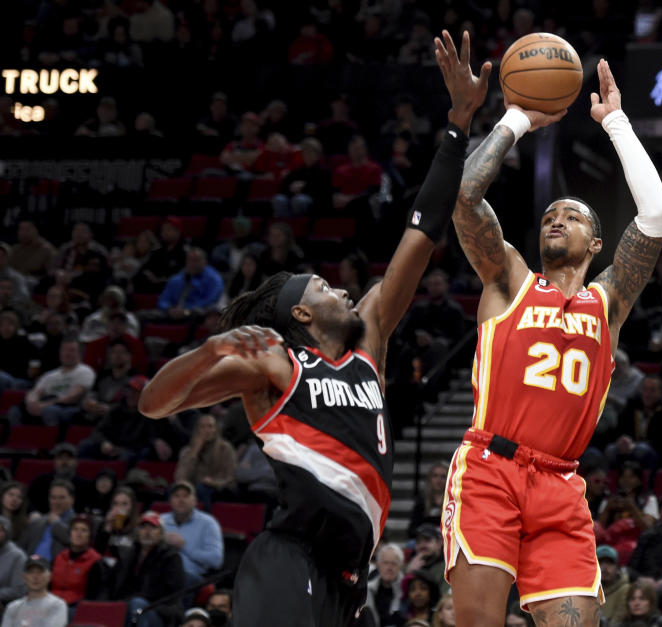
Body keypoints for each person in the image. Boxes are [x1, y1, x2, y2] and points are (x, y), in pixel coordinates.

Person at [138, 29, 488, 627]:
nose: (344, 289)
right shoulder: (274, 361)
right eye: (325, 288)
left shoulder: (368, 342)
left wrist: (458, 125)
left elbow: (421, 235)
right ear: (301, 313)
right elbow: (153, 404)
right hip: (291, 555)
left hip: (348, 573)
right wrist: (208, 351)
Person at [442, 56, 662, 624]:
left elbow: (658, 212)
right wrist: (515, 118)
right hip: (490, 470)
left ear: (597, 244)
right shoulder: (510, 279)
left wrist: (615, 122)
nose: (556, 220)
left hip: (562, 484)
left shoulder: (608, 301)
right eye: (549, 214)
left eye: (571, 216)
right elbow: (464, 198)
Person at [104, 511, 185, 627]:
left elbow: (172, 596)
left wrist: (136, 600)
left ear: (161, 533)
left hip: (160, 611)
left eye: (152, 528)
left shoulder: (171, 558)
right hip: (129, 606)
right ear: (138, 532)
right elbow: (116, 585)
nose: (147, 532)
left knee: (137, 604)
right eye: (143, 527)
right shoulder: (128, 555)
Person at [16, 338, 96, 426]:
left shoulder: (85, 371)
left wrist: (45, 405)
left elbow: (73, 397)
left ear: (80, 353)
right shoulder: (50, 375)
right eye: (64, 350)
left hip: (69, 407)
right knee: (15, 411)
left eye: (72, 350)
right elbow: (35, 392)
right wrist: (31, 402)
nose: (67, 353)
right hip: (45, 403)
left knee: (50, 411)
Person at [159, 481, 224, 589]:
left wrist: (185, 546)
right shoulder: (161, 521)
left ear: (194, 500)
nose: (181, 500)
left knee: (181, 578)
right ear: (170, 501)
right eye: (176, 496)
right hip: (161, 574)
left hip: (191, 576)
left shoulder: (208, 523)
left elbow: (216, 560)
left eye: (185, 496)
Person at [174, 415, 237, 508]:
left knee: (202, 489)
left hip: (220, 488)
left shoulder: (225, 449)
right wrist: (195, 451)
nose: (206, 430)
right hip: (193, 487)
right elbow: (180, 478)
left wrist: (214, 482)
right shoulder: (187, 451)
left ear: (216, 430)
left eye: (210, 426)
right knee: (174, 490)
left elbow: (231, 477)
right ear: (197, 430)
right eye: (202, 427)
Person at [0, 556, 68, 627]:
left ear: (49, 576)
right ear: (24, 576)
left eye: (40, 572)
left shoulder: (57, 605)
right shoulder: (13, 607)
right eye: (31, 572)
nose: (35, 576)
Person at [50, 515, 102, 606]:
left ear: (90, 535)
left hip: (76, 607)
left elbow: (93, 595)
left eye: (84, 530)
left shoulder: (95, 561)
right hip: (52, 603)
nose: (79, 533)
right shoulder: (59, 557)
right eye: (75, 529)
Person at [18, 479, 76, 563]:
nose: (57, 502)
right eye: (53, 498)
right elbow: (21, 547)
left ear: (72, 499)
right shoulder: (38, 522)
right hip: (30, 568)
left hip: (58, 570)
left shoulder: (77, 522)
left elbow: (73, 541)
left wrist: (56, 524)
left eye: (62, 498)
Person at [366, 543, 405, 627]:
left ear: (400, 565)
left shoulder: (407, 589)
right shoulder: (368, 589)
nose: (389, 568)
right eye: (385, 563)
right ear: (378, 565)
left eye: (393, 563)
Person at [0, 515, 27, 610]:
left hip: (7, 607)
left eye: (0, 530)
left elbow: (19, 591)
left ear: (7, 533)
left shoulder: (17, 556)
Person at [599, 545, 630, 624]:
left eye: (609, 563)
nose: (605, 568)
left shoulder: (625, 589)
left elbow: (618, 620)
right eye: (600, 562)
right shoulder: (587, 590)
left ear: (617, 567)